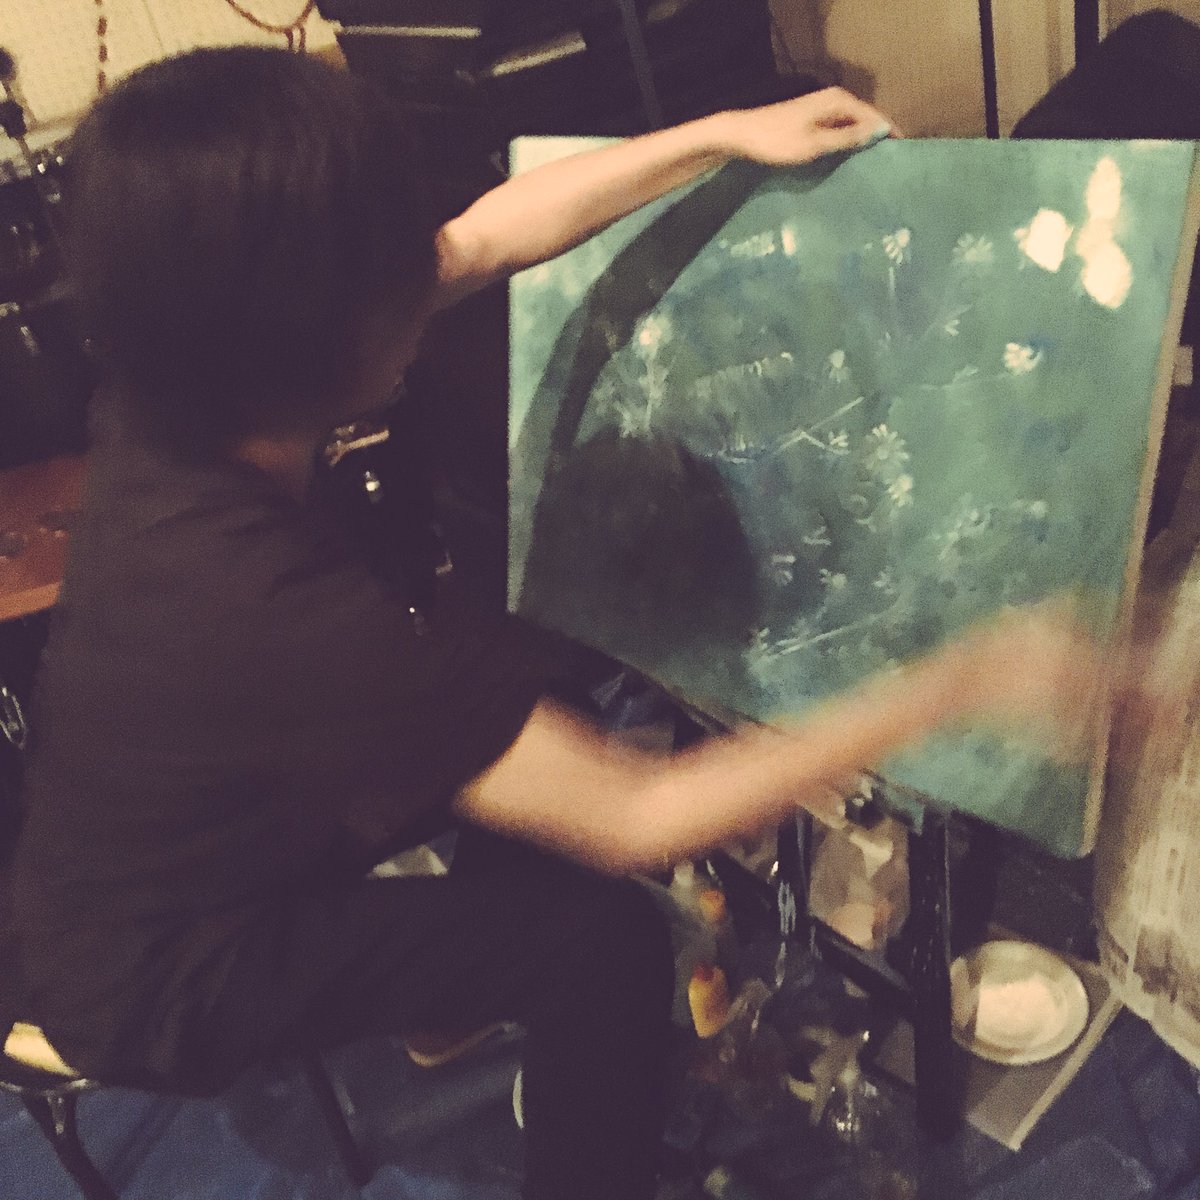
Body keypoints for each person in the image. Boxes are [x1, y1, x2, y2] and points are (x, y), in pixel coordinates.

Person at [7, 48, 1101, 1200]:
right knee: (598, 947)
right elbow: (639, 813)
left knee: (538, 697)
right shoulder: (273, 612)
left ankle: (442, 1010)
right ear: (322, 325)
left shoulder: (188, 373)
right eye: (397, 271)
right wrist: (958, 678)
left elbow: (487, 237)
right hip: (158, 975)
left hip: (164, 842)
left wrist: (725, 132)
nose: (426, 283)